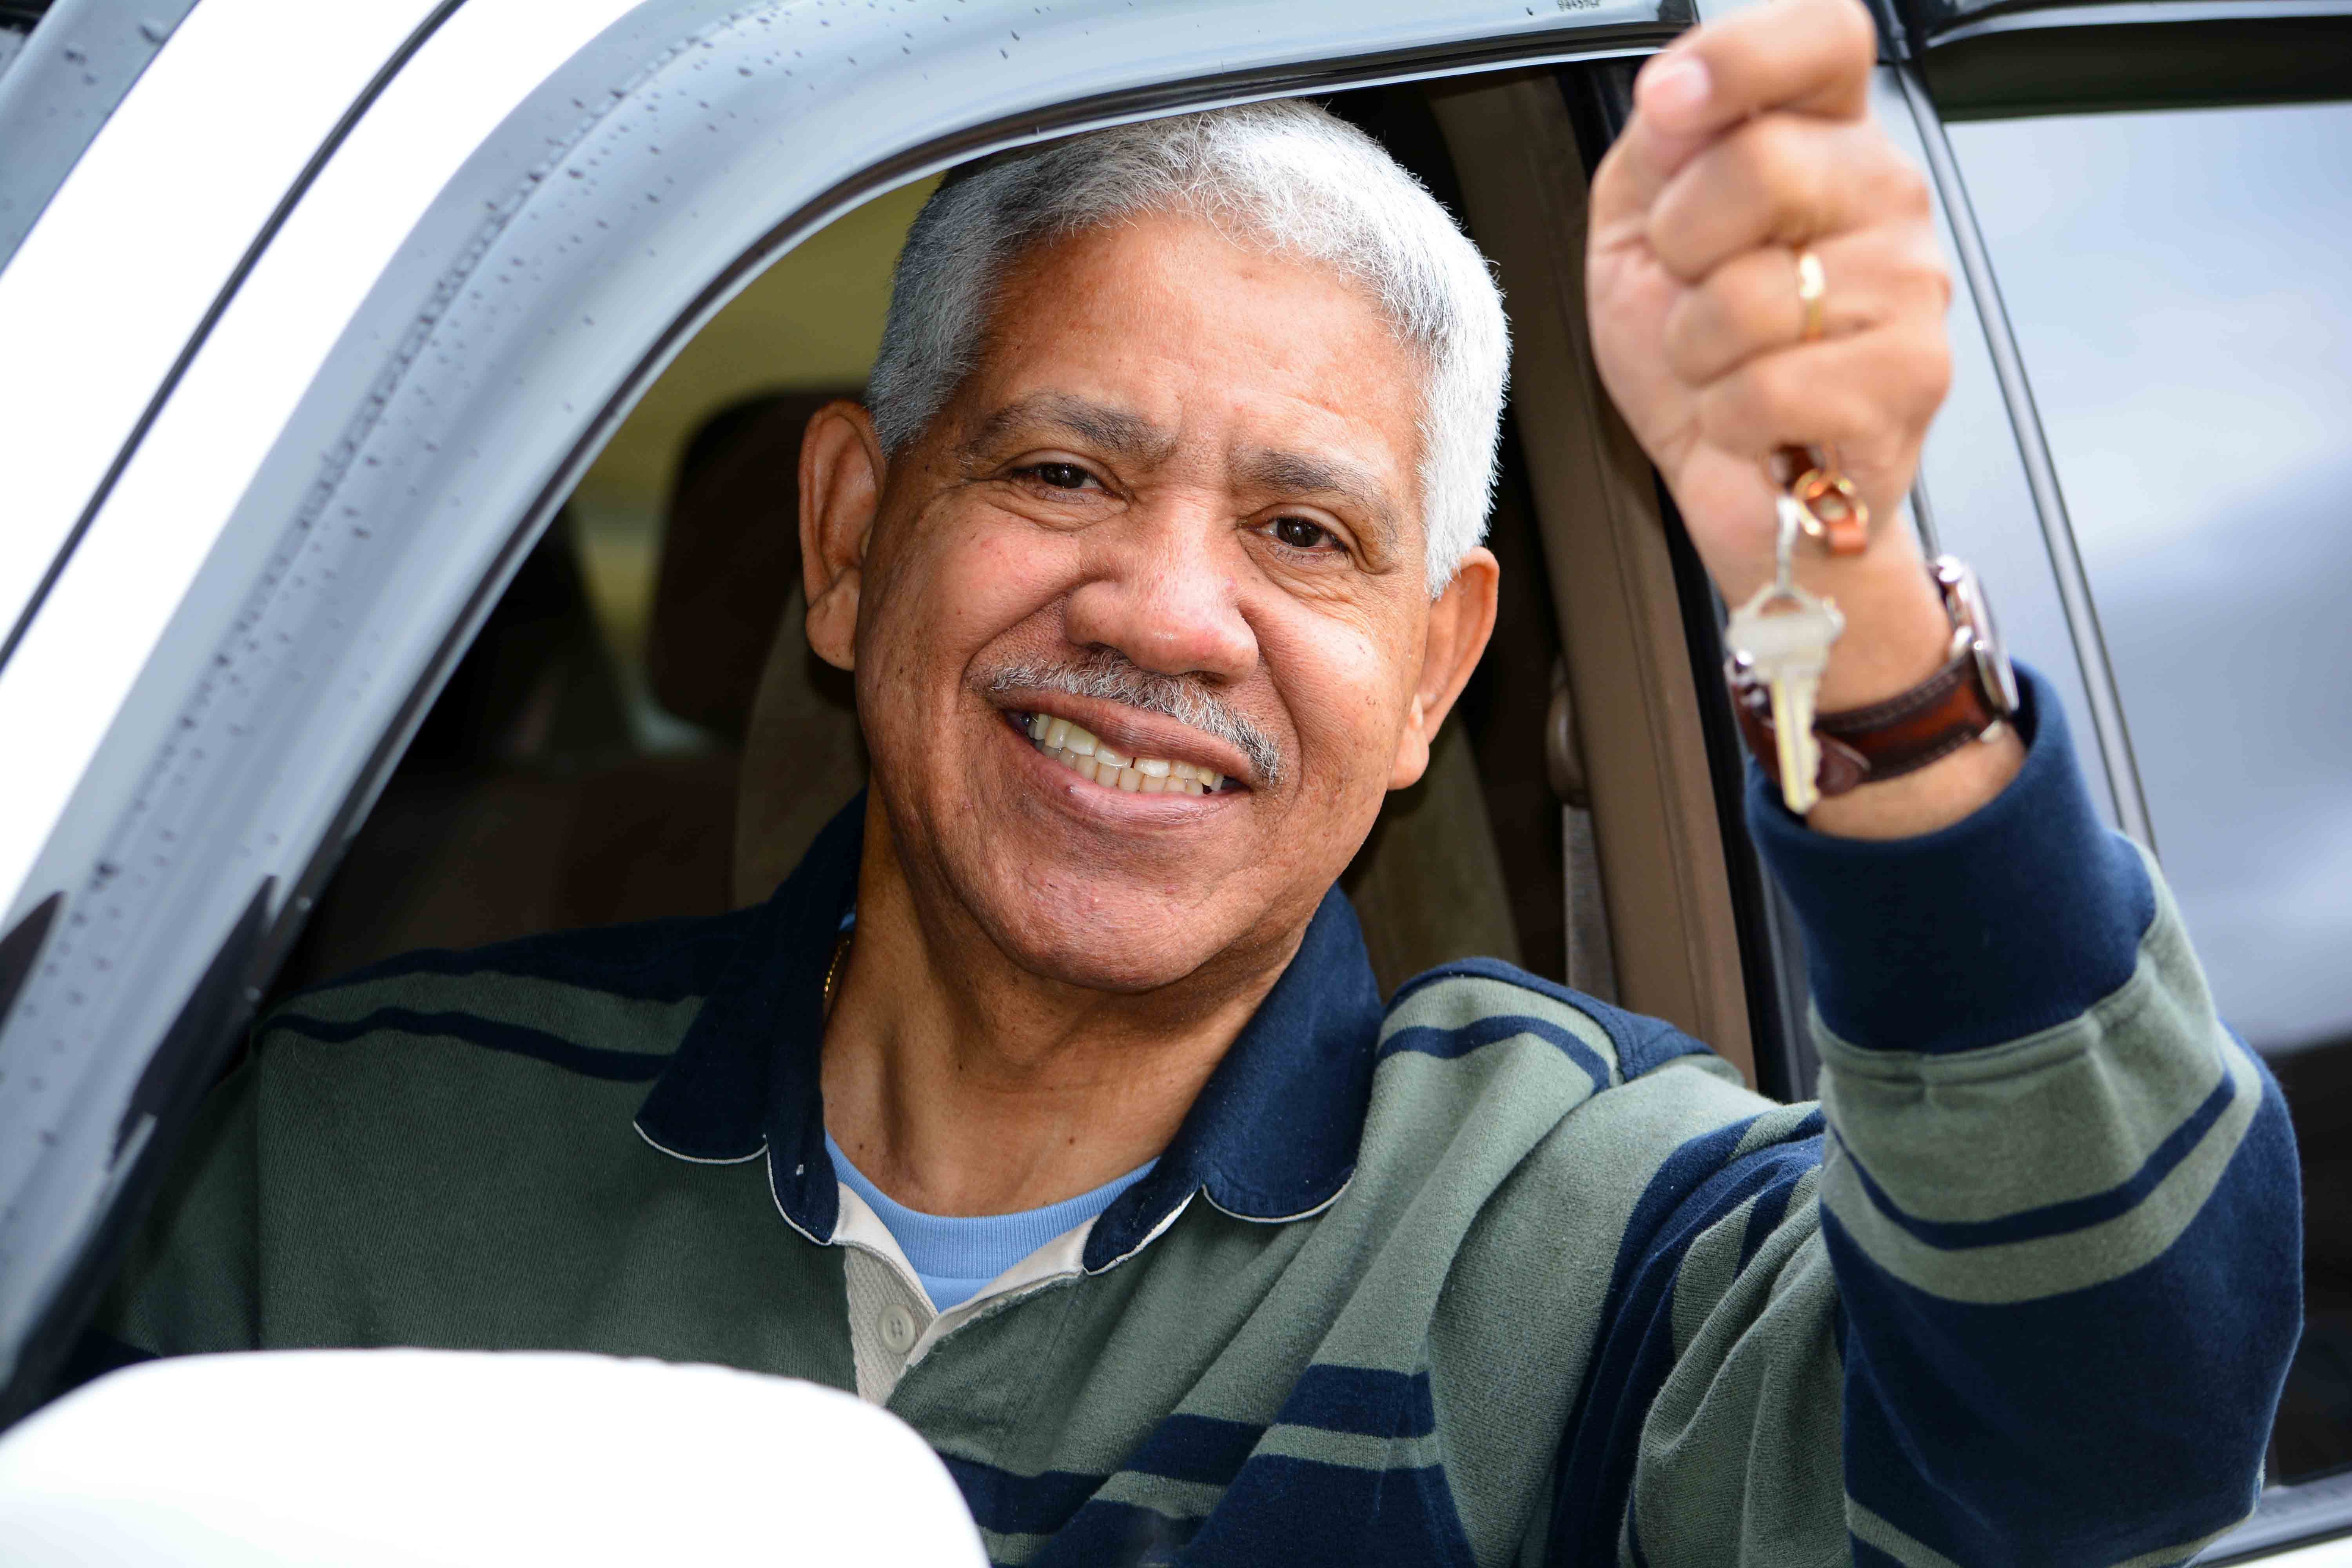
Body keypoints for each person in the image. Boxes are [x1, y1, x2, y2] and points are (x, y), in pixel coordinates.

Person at [95, 1, 2298, 1560]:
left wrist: (1850, 588)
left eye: (1306, 535)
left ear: (1436, 670)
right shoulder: (326, 1157)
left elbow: (2103, 1447)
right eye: (1064, 471)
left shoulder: (1581, 1228)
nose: (1166, 613)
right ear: (853, 542)